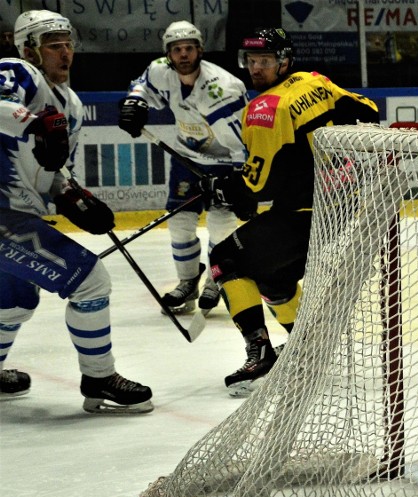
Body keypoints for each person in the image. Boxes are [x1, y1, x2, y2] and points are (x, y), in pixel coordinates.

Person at [209, 28, 379, 396]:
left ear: (283, 62)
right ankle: (309, 349)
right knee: (273, 279)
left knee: (225, 259)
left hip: (302, 213)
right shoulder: (315, 81)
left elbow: (257, 187)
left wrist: (225, 188)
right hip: (340, 206)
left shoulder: (265, 109)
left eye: (264, 62)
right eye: (250, 61)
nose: (255, 68)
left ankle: (261, 356)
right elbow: (367, 109)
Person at [0, 10, 153, 414]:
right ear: (29, 49)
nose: (65, 52)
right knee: (90, 281)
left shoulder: (70, 104)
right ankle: (99, 376)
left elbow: (52, 167)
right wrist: (33, 123)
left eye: (68, 43)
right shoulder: (14, 70)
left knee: (13, 303)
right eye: (53, 45)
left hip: (17, 213)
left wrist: (72, 196)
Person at [118, 21, 247, 315]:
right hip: (187, 158)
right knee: (179, 223)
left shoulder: (222, 88)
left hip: (226, 162)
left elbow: (243, 138)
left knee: (220, 224)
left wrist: (241, 178)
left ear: (200, 50)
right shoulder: (160, 70)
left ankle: (218, 278)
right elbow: (142, 85)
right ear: (169, 54)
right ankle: (188, 282)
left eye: (189, 48)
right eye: (177, 50)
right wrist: (134, 103)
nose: (184, 54)